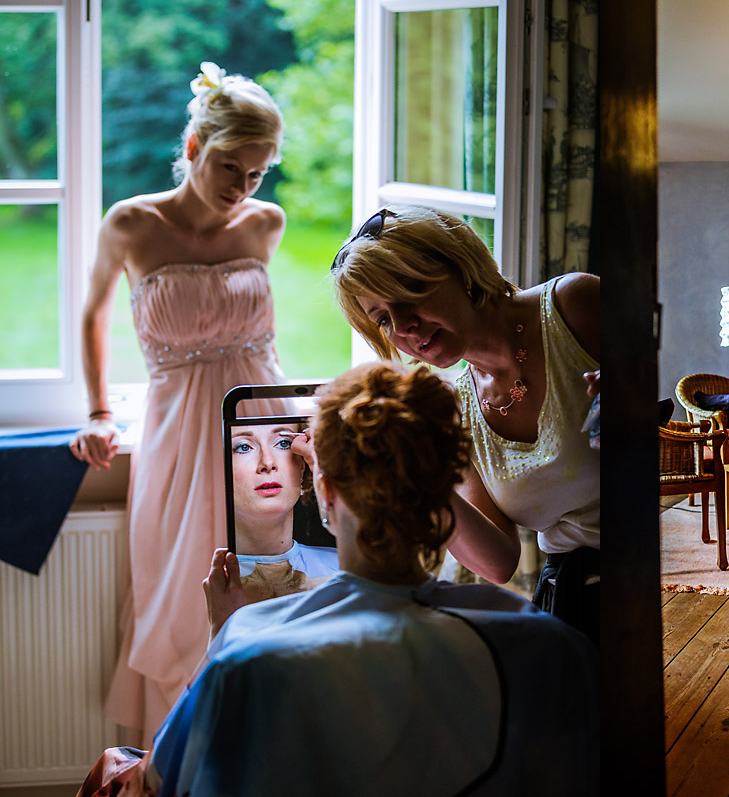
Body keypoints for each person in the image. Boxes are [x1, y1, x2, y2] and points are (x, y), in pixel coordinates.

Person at [76, 363, 599, 797]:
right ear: (444, 492)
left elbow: (159, 782)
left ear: (323, 493)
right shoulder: (544, 641)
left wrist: (222, 633)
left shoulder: (245, 655)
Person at [68, 61, 288, 743]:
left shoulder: (266, 226)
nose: (242, 188)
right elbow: (93, 316)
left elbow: (254, 343)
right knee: (179, 590)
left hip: (259, 425)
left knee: (268, 582)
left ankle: (261, 757)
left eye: (256, 174)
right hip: (174, 431)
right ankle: (178, 760)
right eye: (230, 167)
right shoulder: (131, 224)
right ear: (194, 147)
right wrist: (100, 411)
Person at [328, 205, 601, 639]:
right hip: (571, 598)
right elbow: (498, 562)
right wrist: (422, 475)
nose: (403, 328)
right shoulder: (455, 408)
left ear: (458, 265)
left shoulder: (575, 307)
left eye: (409, 292)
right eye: (382, 319)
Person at [229, 424, 339, 602]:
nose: (268, 463)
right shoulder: (194, 583)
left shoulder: (346, 569)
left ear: (302, 466)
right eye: (243, 447)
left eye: (283, 443)